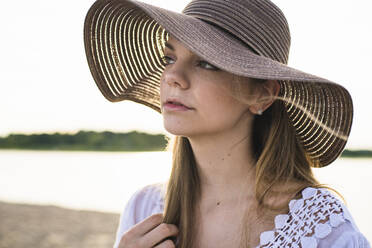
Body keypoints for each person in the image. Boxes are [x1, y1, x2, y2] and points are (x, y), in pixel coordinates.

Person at [83, 0, 370, 247]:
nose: (173, 76)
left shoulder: (320, 229)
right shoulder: (144, 208)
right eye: (169, 58)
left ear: (263, 94)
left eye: (206, 62)